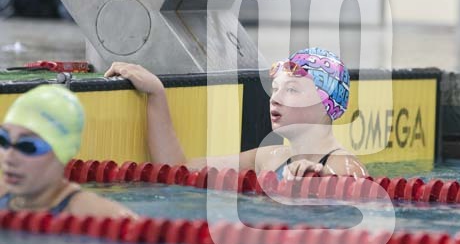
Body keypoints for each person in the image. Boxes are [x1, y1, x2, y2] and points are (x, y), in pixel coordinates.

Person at [105, 48, 368, 181]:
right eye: (275, 89)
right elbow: (177, 170)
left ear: (326, 104)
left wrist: (323, 181)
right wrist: (156, 93)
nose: (275, 98)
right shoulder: (269, 157)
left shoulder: (345, 167)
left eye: (291, 90)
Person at [0, 85, 136, 217]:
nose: (9, 157)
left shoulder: (102, 217)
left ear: (63, 152)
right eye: (3, 140)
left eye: (28, 146)